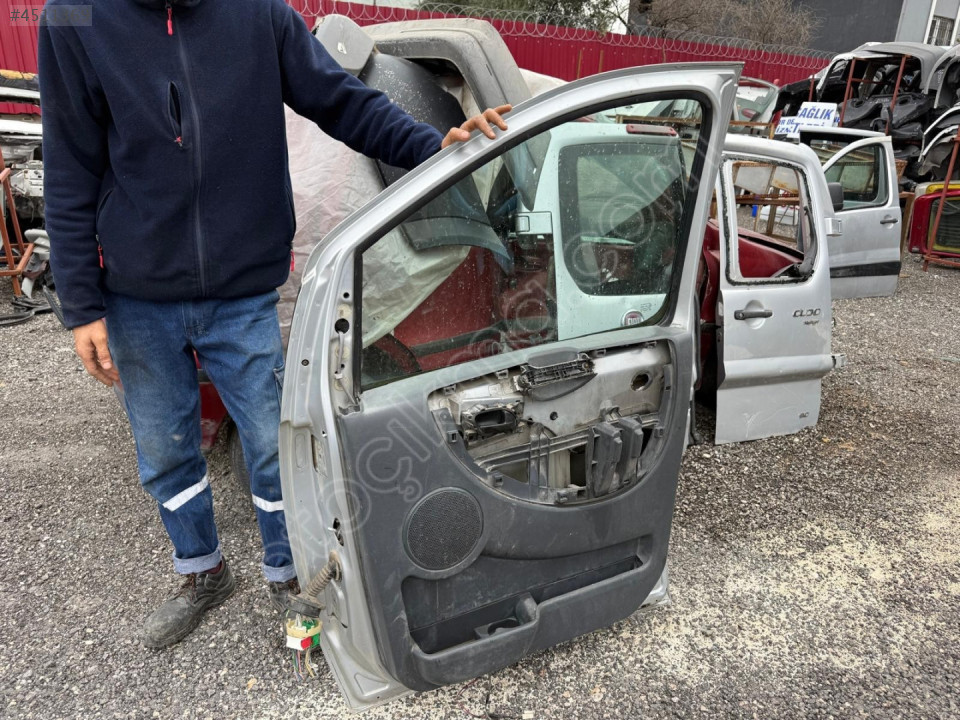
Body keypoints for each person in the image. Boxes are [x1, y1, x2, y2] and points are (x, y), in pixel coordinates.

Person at [38, 0, 509, 649]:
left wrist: (433, 147)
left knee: (272, 448)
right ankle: (202, 572)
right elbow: (68, 162)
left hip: (242, 294)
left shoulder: (258, 14)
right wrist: (81, 305)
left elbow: (343, 102)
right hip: (135, 297)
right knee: (166, 451)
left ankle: (291, 575)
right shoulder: (74, 18)